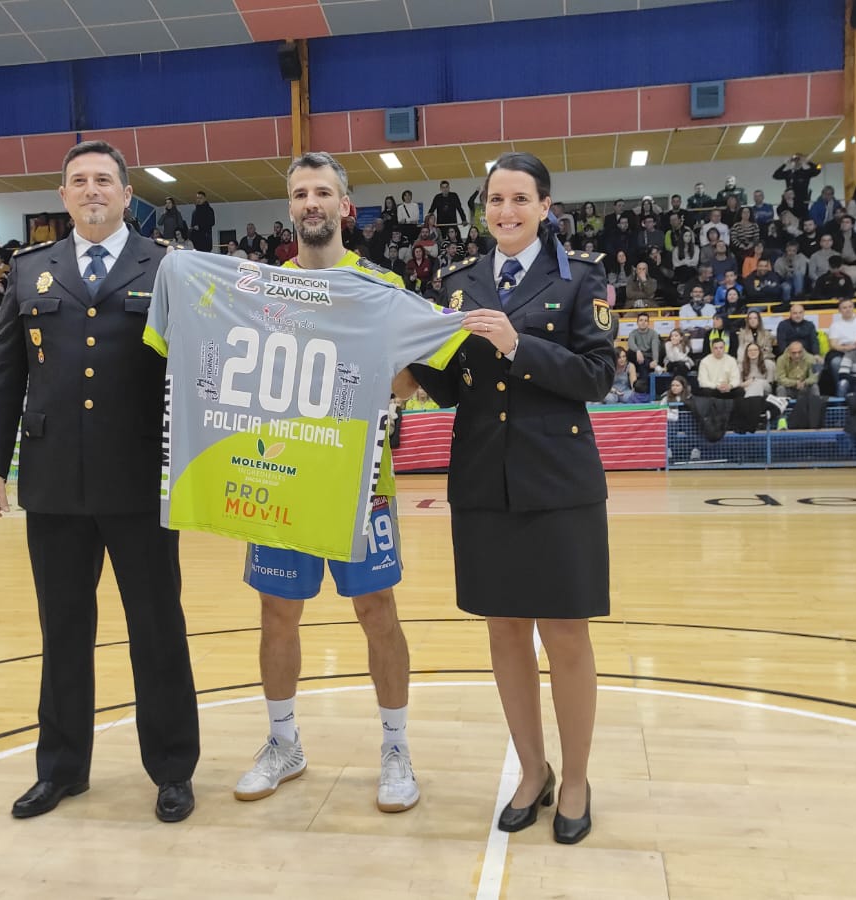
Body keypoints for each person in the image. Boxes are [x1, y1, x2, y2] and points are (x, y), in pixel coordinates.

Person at [0, 141, 200, 824]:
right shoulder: (28, 272)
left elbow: (198, 370)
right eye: (79, 181)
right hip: (55, 487)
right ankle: (63, 769)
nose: (92, 190)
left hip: (141, 483)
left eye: (104, 180)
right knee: (63, 631)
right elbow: (4, 374)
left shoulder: (169, 269)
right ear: (63, 197)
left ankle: (173, 770)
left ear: (129, 195)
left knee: (157, 630)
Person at [410, 152, 615, 846]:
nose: (505, 211)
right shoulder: (457, 282)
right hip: (481, 480)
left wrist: (517, 343)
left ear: (545, 205)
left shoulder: (582, 276)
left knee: (565, 635)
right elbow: (449, 388)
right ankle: (533, 771)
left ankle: (578, 777)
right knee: (503, 632)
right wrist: (407, 360)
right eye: (495, 200)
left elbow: (598, 375)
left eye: (519, 199)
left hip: (558, 484)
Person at [232, 153, 425, 815]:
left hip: (361, 481)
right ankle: (284, 743)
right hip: (280, 474)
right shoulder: (258, 286)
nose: (311, 202)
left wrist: (358, 374)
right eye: (300, 194)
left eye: (324, 192)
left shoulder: (380, 283)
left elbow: (410, 378)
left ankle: (396, 748)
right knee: (276, 612)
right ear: (290, 208)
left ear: (346, 206)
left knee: (377, 613)